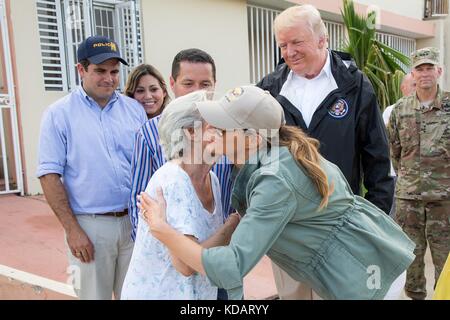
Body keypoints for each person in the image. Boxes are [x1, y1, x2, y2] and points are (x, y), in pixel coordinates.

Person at [139, 85, 415, 300]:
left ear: (252, 139)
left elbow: (231, 267)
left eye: (222, 128)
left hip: (367, 272)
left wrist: (161, 229)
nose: (211, 131)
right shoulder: (276, 154)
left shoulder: (275, 179)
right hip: (363, 261)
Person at [256, 4, 394, 300]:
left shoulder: (355, 86)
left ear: (322, 39)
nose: (288, 52)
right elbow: (253, 152)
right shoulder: (269, 88)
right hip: (287, 227)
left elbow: (378, 161)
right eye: (283, 44)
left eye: (296, 42)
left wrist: (374, 222)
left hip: (338, 227)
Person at [37, 36, 147, 300]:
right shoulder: (58, 114)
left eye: (114, 71)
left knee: (138, 295)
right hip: (90, 229)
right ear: (81, 70)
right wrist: (72, 230)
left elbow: (148, 164)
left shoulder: (134, 110)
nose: (109, 78)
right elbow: (49, 175)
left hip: (135, 224)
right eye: (100, 71)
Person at [128, 48, 233, 300]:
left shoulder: (213, 179)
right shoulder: (173, 181)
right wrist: (233, 226)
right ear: (190, 132)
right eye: (216, 126)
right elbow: (186, 264)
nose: (227, 131)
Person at [387, 47, 450, 300]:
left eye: (429, 68)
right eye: (419, 69)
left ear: (439, 71)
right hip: (409, 197)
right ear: (412, 74)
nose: (424, 74)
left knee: (444, 256)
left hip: (444, 198)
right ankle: (415, 296)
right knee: (410, 255)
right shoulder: (400, 110)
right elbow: (395, 151)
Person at [382, 73, 416, 218]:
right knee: (395, 215)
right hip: (397, 174)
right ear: (403, 88)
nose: (416, 89)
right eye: (413, 85)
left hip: (417, 176)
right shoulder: (391, 111)